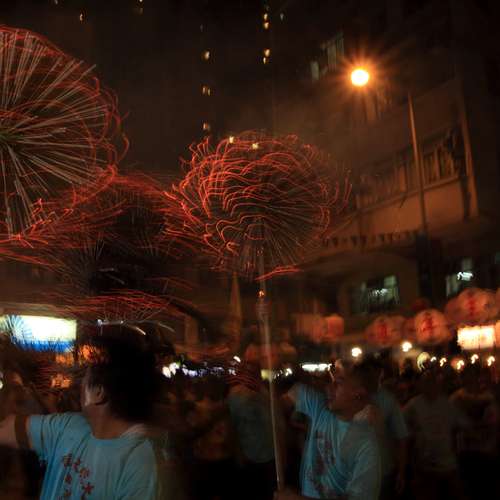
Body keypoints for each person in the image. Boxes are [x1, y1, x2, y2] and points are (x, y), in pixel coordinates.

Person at [0, 328, 167, 499]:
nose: (79, 385)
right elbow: (6, 428)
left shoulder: (141, 462)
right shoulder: (66, 426)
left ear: (99, 393)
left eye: (85, 378)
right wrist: (11, 389)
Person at [277, 361, 381, 500]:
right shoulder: (320, 408)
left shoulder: (366, 445)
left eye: (338, 383)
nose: (329, 387)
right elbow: (278, 405)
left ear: (358, 393)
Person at [404, 369, 468, 500]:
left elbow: (462, 423)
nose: (430, 385)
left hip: (447, 461)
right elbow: (401, 426)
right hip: (424, 462)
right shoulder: (413, 405)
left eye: (433, 382)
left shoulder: (447, 404)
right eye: (427, 382)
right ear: (421, 385)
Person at [227, 363, 279, 500]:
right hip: (249, 454)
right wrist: (238, 453)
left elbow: (276, 421)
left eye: (255, 372)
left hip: (270, 454)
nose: (252, 376)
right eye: (248, 372)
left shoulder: (266, 392)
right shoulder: (236, 396)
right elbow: (233, 426)